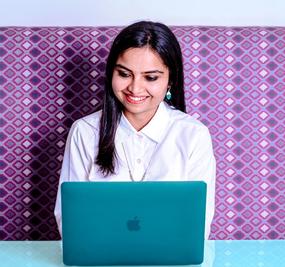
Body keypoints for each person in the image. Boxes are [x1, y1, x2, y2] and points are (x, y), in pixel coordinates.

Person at [54, 20, 216, 238]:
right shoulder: (84, 131)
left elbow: (198, 226)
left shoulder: (193, 135)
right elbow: (69, 221)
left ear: (170, 81)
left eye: (150, 77)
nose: (135, 88)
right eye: (124, 74)